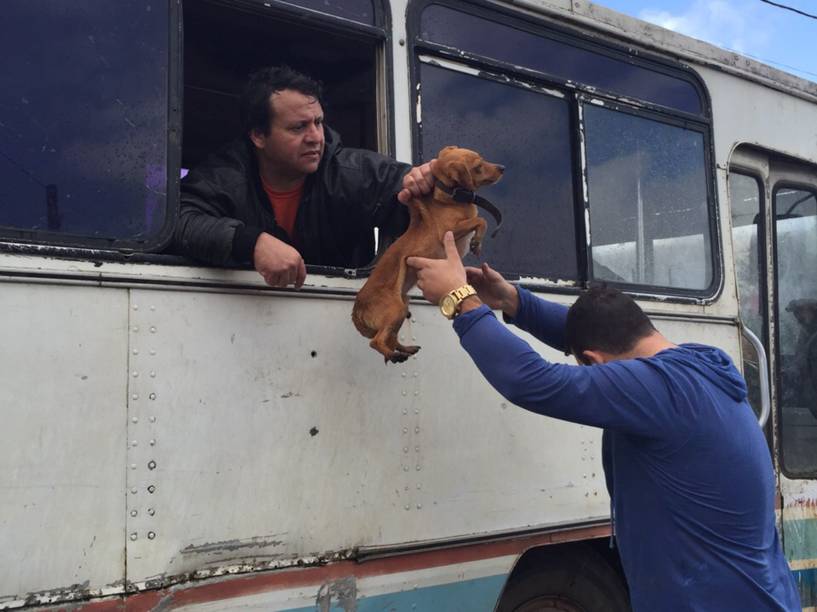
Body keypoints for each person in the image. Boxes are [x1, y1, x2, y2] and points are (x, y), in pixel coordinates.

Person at [406, 232, 802, 612]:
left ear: (594, 363)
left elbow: (530, 381)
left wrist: (460, 300)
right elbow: (595, 332)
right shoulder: (695, 362)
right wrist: (514, 301)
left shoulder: (657, 391)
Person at [174, 65, 434, 287]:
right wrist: (251, 243)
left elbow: (406, 188)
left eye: (318, 123)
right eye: (298, 127)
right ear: (259, 136)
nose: (316, 137)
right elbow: (178, 222)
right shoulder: (224, 176)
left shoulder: (350, 172)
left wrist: (427, 182)